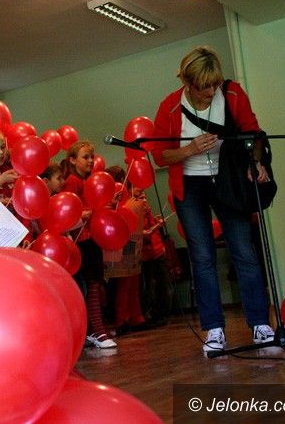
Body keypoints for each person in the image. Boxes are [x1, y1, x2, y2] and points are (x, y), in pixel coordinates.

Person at [151, 45, 274, 353]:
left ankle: (260, 323)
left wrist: (255, 162)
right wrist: (189, 149)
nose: (211, 91)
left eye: (214, 84)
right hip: (190, 185)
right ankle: (214, 329)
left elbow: (253, 134)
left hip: (228, 181)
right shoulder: (169, 106)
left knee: (243, 250)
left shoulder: (232, 94)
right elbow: (159, 156)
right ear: (187, 83)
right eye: (204, 86)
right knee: (202, 257)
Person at [62, 141, 116, 349]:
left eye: (92, 157)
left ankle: (96, 329)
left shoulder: (87, 180)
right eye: (85, 157)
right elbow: (71, 212)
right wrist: (89, 213)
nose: (91, 161)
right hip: (82, 239)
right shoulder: (72, 182)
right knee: (91, 285)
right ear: (72, 160)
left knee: (95, 284)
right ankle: (97, 331)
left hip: (92, 236)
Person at [105, 165, 147, 336]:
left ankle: (134, 317)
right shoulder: (115, 198)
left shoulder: (126, 197)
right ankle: (124, 319)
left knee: (131, 283)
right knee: (127, 284)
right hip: (123, 243)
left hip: (130, 241)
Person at [134, 187, 173, 328]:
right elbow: (143, 234)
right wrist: (156, 226)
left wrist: (156, 222)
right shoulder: (135, 214)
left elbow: (152, 230)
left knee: (164, 285)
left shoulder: (148, 211)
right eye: (140, 198)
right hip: (146, 255)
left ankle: (162, 314)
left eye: (145, 197)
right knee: (149, 286)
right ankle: (150, 315)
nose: (144, 200)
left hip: (158, 251)